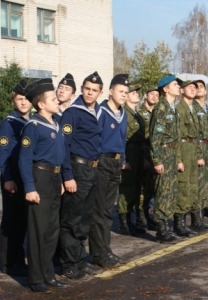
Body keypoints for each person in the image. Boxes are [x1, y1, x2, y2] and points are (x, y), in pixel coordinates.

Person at [18, 78, 68, 293]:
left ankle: (48, 274)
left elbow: (62, 155)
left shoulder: (56, 123)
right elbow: (24, 159)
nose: (57, 101)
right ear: (41, 104)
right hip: (40, 179)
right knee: (38, 231)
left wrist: (63, 179)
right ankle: (36, 278)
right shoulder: (33, 126)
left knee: (51, 230)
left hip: (54, 180)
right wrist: (29, 187)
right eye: (53, 99)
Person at [59, 71, 104, 280]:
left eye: (94, 90)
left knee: (85, 219)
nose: (90, 93)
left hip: (92, 170)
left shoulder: (96, 112)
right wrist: (67, 176)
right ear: (82, 89)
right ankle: (68, 264)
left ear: (99, 93)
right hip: (77, 170)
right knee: (71, 219)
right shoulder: (73, 113)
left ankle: (80, 261)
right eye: (87, 89)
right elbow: (64, 146)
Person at [89, 74, 128, 269]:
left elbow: (122, 139)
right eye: (121, 91)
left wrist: (123, 159)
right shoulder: (101, 111)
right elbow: (95, 139)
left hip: (115, 163)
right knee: (99, 211)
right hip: (102, 162)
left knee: (107, 210)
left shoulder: (123, 113)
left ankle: (106, 249)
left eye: (126, 92)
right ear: (111, 91)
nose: (124, 95)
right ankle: (98, 253)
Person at [0, 80, 30, 277]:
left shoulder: (30, 121)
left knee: (21, 222)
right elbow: (3, 153)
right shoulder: (9, 123)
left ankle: (18, 259)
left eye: (27, 98)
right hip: (12, 178)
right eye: (19, 99)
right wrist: (7, 178)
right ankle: (7, 263)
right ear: (14, 101)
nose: (23, 102)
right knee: (11, 222)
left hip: (24, 178)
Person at [149, 74, 182, 243]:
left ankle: (168, 226)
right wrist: (157, 160)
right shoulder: (160, 108)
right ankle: (161, 230)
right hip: (163, 153)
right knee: (163, 191)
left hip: (172, 154)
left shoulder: (172, 108)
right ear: (166, 88)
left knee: (171, 191)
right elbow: (155, 136)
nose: (178, 87)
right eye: (175, 84)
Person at [117, 83, 147, 236]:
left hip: (138, 152)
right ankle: (123, 222)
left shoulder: (137, 115)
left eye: (137, 92)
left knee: (136, 187)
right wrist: (124, 159)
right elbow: (122, 137)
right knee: (126, 188)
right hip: (129, 151)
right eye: (133, 92)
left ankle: (131, 220)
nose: (136, 94)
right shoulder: (124, 113)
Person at [174, 80, 202, 237]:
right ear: (182, 90)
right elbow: (177, 136)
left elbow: (196, 135)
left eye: (195, 88)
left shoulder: (192, 109)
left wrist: (198, 155)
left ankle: (188, 221)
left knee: (192, 185)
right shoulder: (179, 108)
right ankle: (179, 223)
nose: (193, 90)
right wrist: (178, 158)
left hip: (191, 148)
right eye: (190, 87)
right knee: (183, 185)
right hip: (183, 148)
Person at [192, 79, 208, 231]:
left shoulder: (205, 108)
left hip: (207, 149)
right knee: (197, 185)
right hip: (198, 149)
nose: (199, 89)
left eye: (201, 87)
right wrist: (199, 154)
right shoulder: (192, 108)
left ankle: (201, 217)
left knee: (205, 185)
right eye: (196, 87)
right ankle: (195, 219)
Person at [137, 86, 159, 230]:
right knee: (142, 189)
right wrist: (144, 158)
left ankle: (147, 213)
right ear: (145, 95)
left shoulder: (157, 113)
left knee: (151, 188)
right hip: (144, 154)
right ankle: (140, 217)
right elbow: (140, 139)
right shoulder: (140, 114)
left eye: (157, 95)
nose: (154, 97)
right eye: (152, 94)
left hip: (154, 155)